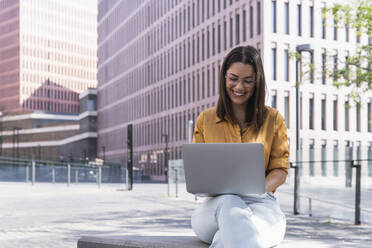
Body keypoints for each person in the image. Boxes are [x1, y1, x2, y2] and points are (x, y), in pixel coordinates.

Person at [191, 46, 289, 248]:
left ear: (258, 81)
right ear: (224, 77)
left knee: (231, 236)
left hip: (262, 206)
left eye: (248, 80)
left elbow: (280, 170)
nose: (239, 86)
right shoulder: (205, 120)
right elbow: (198, 171)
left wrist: (256, 188)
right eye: (233, 78)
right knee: (230, 206)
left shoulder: (274, 119)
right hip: (214, 208)